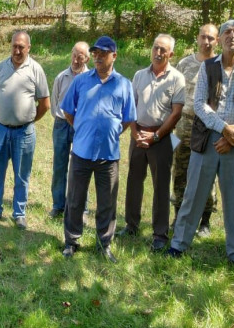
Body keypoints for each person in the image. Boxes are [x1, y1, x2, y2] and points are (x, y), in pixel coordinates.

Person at [168, 20, 234, 273]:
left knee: (233, 199)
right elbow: (199, 104)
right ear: (220, 39)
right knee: (193, 194)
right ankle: (179, 244)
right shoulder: (207, 67)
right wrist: (223, 129)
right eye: (227, 31)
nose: (231, 35)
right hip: (207, 141)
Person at [60, 36, 136, 262]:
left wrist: (109, 132)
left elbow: (127, 119)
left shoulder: (124, 84)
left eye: (103, 53)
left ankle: (104, 244)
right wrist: (84, 128)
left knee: (107, 202)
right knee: (74, 199)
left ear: (114, 56)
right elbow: (68, 111)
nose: (98, 56)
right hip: (82, 152)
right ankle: (71, 241)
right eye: (95, 53)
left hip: (108, 156)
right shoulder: (81, 82)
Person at [118, 35, 185, 250]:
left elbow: (176, 114)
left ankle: (159, 234)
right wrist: (136, 133)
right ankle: (131, 225)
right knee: (134, 182)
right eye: (156, 48)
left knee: (161, 186)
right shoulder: (139, 76)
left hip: (162, 139)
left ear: (171, 54)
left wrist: (156, 136)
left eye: (163, 50)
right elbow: (130, 107)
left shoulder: (177, 79)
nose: (158, 53)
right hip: (138, 136)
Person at [0, 31, 50, 229]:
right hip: (0, 130)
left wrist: (27, 120)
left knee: (22, 174)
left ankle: (19, 213)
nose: (17, 50)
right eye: (14, 46)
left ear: (29, 48)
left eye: (22, 46)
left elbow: (45, 104)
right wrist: (5, 115)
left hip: (24, 133)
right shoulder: (1, 67)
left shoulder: (36, 69)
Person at [171, 24, 219, 236]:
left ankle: (205, 221)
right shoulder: (184, 64)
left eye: (211, 38)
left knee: (207, 175)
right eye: (203, 37)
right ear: (197, 38)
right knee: (180, 172)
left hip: (208, 127)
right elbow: (175, 95)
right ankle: (178, 216)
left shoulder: (221, 66)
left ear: (216, 41)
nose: (206, 41)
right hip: (183, 125)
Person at [49, 41, 89, 219]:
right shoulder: (61, 77)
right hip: (61, 124)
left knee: (81, 167)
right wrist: (61, 118)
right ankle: (58, 205)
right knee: (59, 165)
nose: (76, 59)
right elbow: (54, 102)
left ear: (87, 58)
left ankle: (82, 208)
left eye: (80, 56)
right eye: (74, 54)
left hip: (81, 127)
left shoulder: (90, 79)